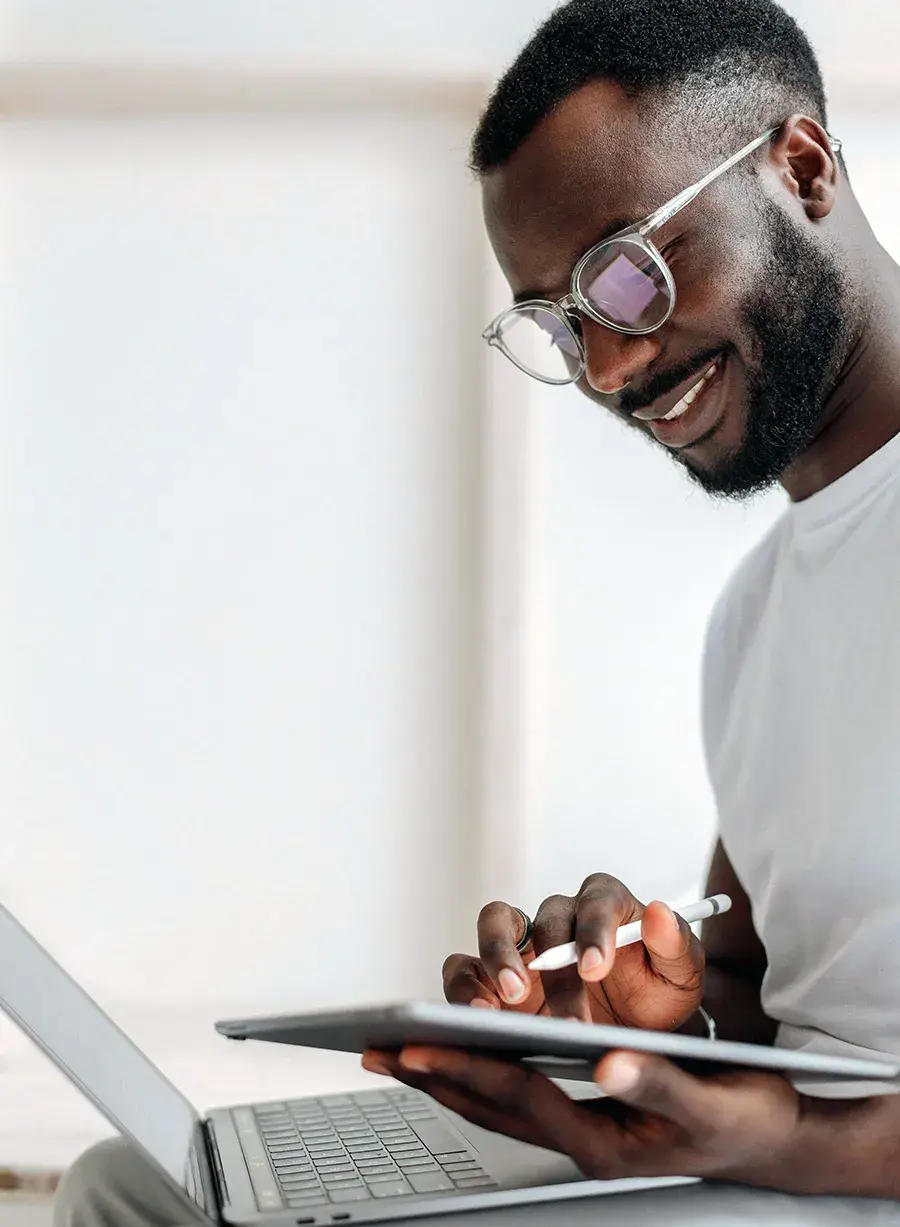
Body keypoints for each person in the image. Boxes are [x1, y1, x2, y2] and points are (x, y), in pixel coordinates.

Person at [53, 0, 900, 1223]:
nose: (607, 368)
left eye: (627, 273)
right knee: (135, 1184)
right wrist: (638, 1026)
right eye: (560, 321)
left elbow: (802, 1116)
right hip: (770, 1184)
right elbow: (753, 996)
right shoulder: (755, 616)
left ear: (803, 170)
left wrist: (789, 1144)